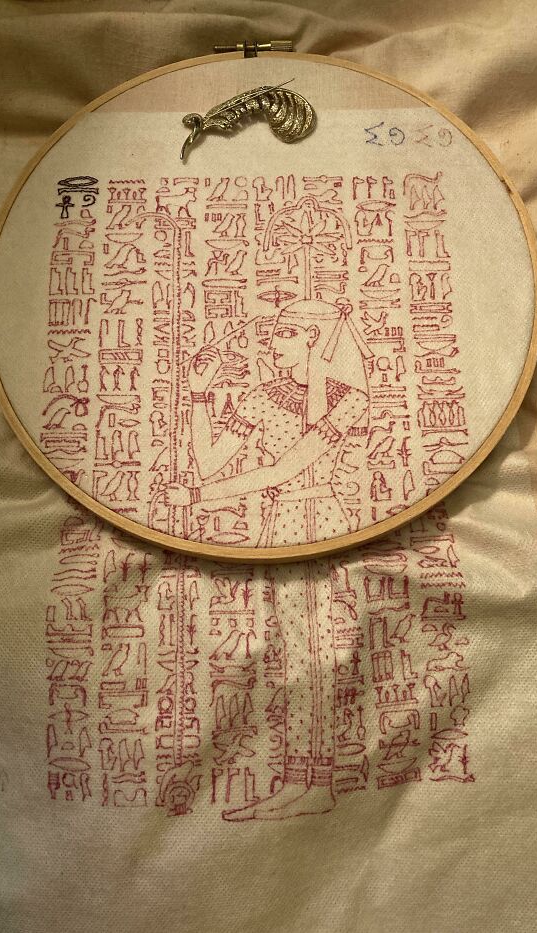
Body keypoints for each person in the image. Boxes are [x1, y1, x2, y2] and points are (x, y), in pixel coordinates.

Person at [164, 297, 372, 818]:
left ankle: (316, 781)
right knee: (294, 654)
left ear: (312, 339)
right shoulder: (262, 396)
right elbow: (210, 461)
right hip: (281, 524)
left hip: (322, 521)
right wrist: (199, 394)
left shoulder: (348, 399)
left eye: (284, 333)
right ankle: (300, 780)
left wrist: (198, 499)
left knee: (321, 653)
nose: (271, 343)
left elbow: (286, 468)